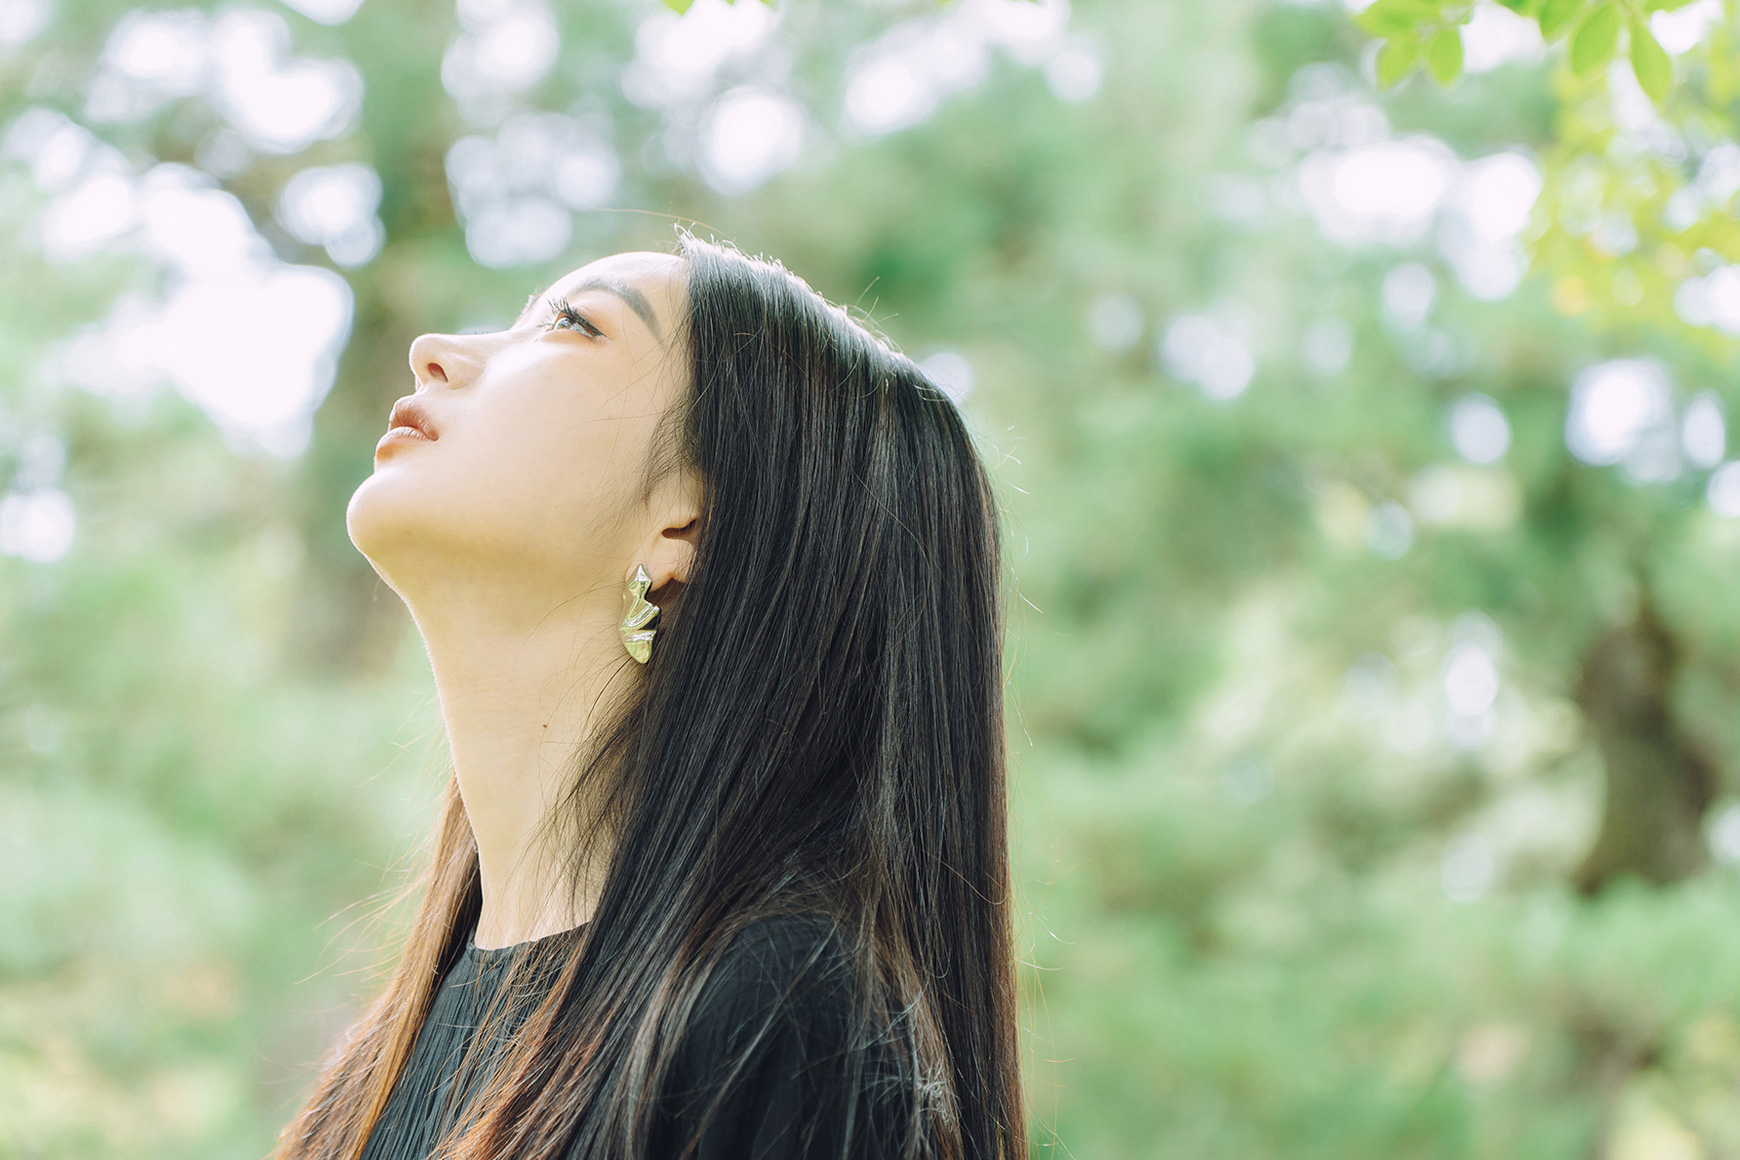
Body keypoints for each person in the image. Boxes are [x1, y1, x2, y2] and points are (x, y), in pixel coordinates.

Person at [273, 233, 1023, 1160]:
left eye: (570, 324)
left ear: (686, 524)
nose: (438, 350)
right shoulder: (380, 1064)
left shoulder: (783, 1021)